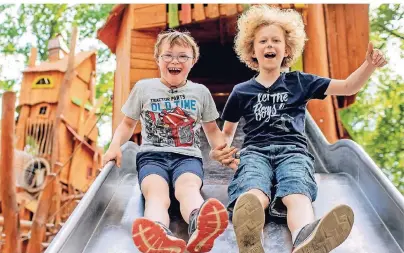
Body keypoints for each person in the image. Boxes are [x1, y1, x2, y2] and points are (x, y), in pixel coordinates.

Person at [210, 5, 387, 253]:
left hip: (293, 152)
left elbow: (347, 86)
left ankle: (305, 238)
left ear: (287, 49)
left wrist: (368, 65)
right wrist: (220, 150)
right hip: (254, 151)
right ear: (252, 49)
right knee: (252, 188)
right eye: (263, 41)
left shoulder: (300, 81)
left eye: (276, 40)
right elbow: (227, 132)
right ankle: (250, 236)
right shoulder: (242, 91)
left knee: (296, 191)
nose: (269, 45)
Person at [102, 30, 232, 253]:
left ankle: (200, 224)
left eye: (183, 56)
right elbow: (127, 124)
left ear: (193, 62)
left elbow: (211, 129)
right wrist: (114, 145)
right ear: (158, 59)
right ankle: (157, 234)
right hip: (152, 157)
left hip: (187, 157)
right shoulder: (144, 88)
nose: (175, 61)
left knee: (188, 188)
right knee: (156, 193)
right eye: (168, 55)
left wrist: (223, 150)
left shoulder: (200, 92)